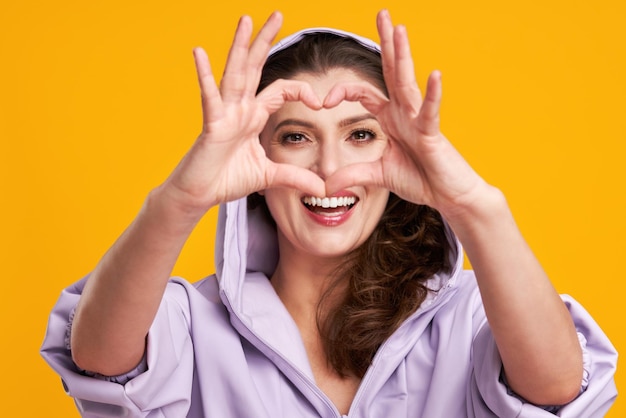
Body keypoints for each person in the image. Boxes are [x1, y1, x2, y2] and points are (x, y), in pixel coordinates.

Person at [41, 10, 617, 417]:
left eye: (360, 134)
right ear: (257, 159)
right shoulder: (192, 324)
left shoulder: (469, 320)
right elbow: (99, 360)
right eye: (295, 136)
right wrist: (182, 199)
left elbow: (558, 394)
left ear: (396, 153)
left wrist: (471, 203)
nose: (329, 169)